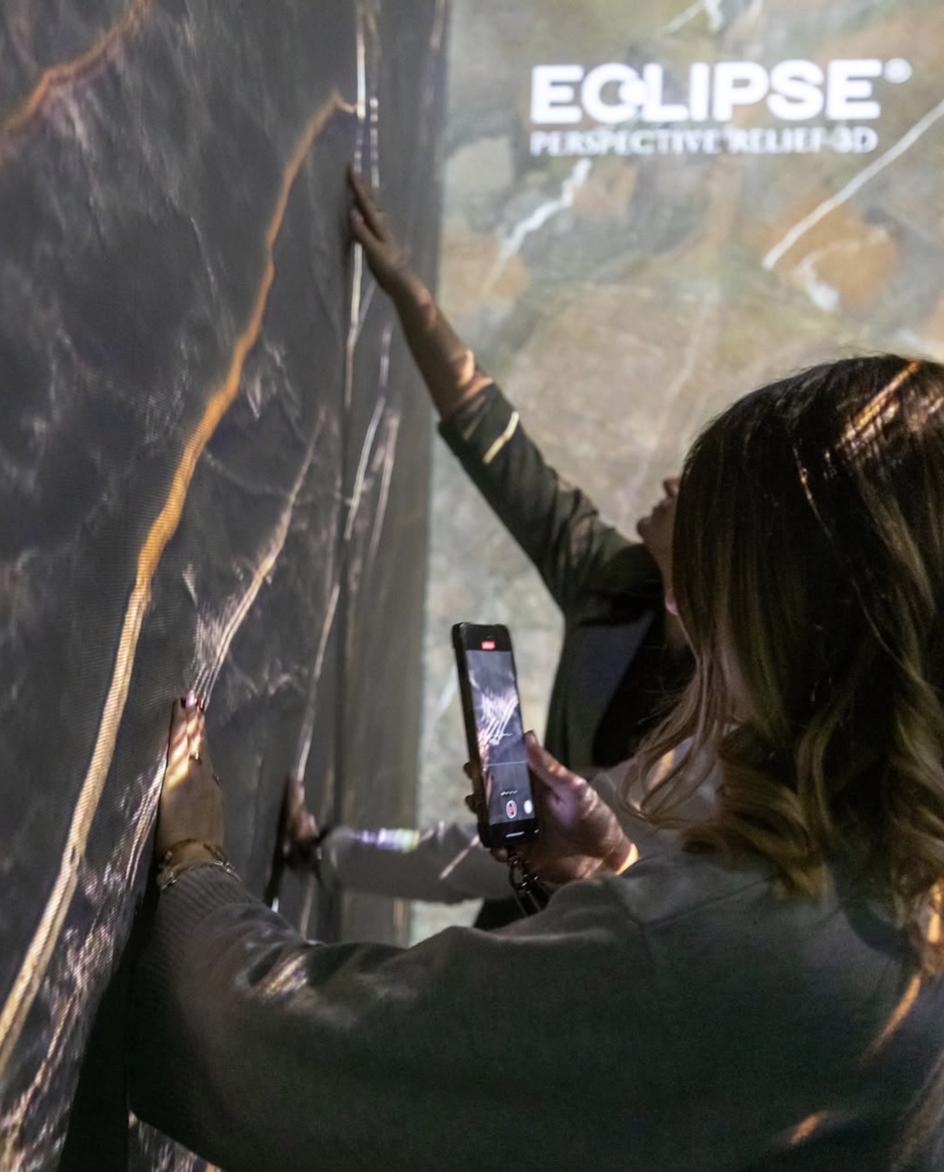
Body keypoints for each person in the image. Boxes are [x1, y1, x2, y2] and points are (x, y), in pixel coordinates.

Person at [130, 354, 944, 1171]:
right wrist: (606, 874)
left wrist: (193, 861)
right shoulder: (911, 908)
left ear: (803, 620)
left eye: (722, 576)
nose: (687, 611)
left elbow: (271, 1058)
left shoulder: (724, 945)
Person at [278, 172, 692, 926]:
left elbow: (504, 850)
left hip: (590, 958)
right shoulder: (614, 581)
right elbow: (494, 440)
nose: (670, 479)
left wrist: (334, 852)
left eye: (695, 486)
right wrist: (411, 297)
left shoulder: (733, 718)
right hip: (529, 903)